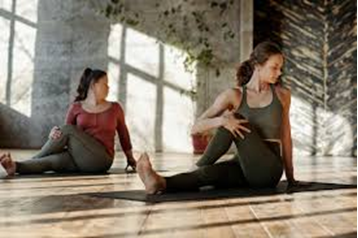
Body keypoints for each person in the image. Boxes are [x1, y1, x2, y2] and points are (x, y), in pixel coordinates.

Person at [137, 41, 303, 194]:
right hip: (242, 166)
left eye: (280, 68)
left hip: (268, 170)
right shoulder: (234, 95)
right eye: (274, 67)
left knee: (235, 118)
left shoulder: (282, 95)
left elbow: (285, 136)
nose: (279, 73)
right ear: (258, 66)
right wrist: (222, 121)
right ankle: (159, 182)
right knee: (207, 174)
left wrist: (290, 177)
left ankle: (196, 165)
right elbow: (196, 127)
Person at [0, 68, 137, 178]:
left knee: (67, 130)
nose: (108, 87)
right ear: (94, 85)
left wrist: (130, 159)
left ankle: (32, 159)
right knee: (52, 161)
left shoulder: (115, 108)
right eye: (105, 84)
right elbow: (63, 135)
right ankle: (15, 167)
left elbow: (123, 134)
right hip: (80, 158)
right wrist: (53, 134)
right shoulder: (76, 107)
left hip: (102, 160)